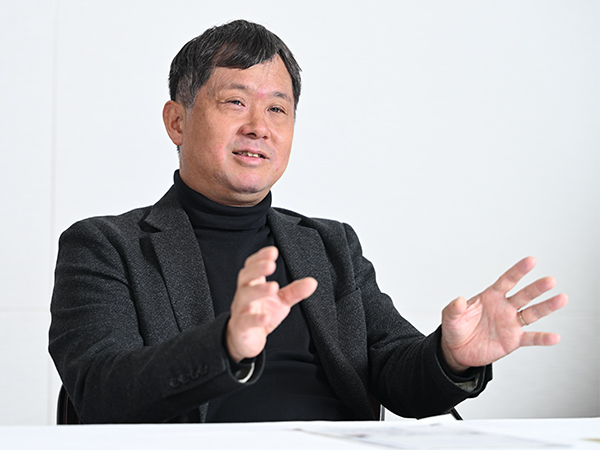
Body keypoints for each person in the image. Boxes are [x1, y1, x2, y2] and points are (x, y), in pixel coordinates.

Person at [49, 19, 568, 424]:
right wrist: (226, 345)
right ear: (177, 121)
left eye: (278, 109)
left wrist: (451, 357)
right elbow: (100, 391)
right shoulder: (105, 246)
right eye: (235, 102)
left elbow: (395, 371)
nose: (259, 127)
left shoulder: (329, 244)